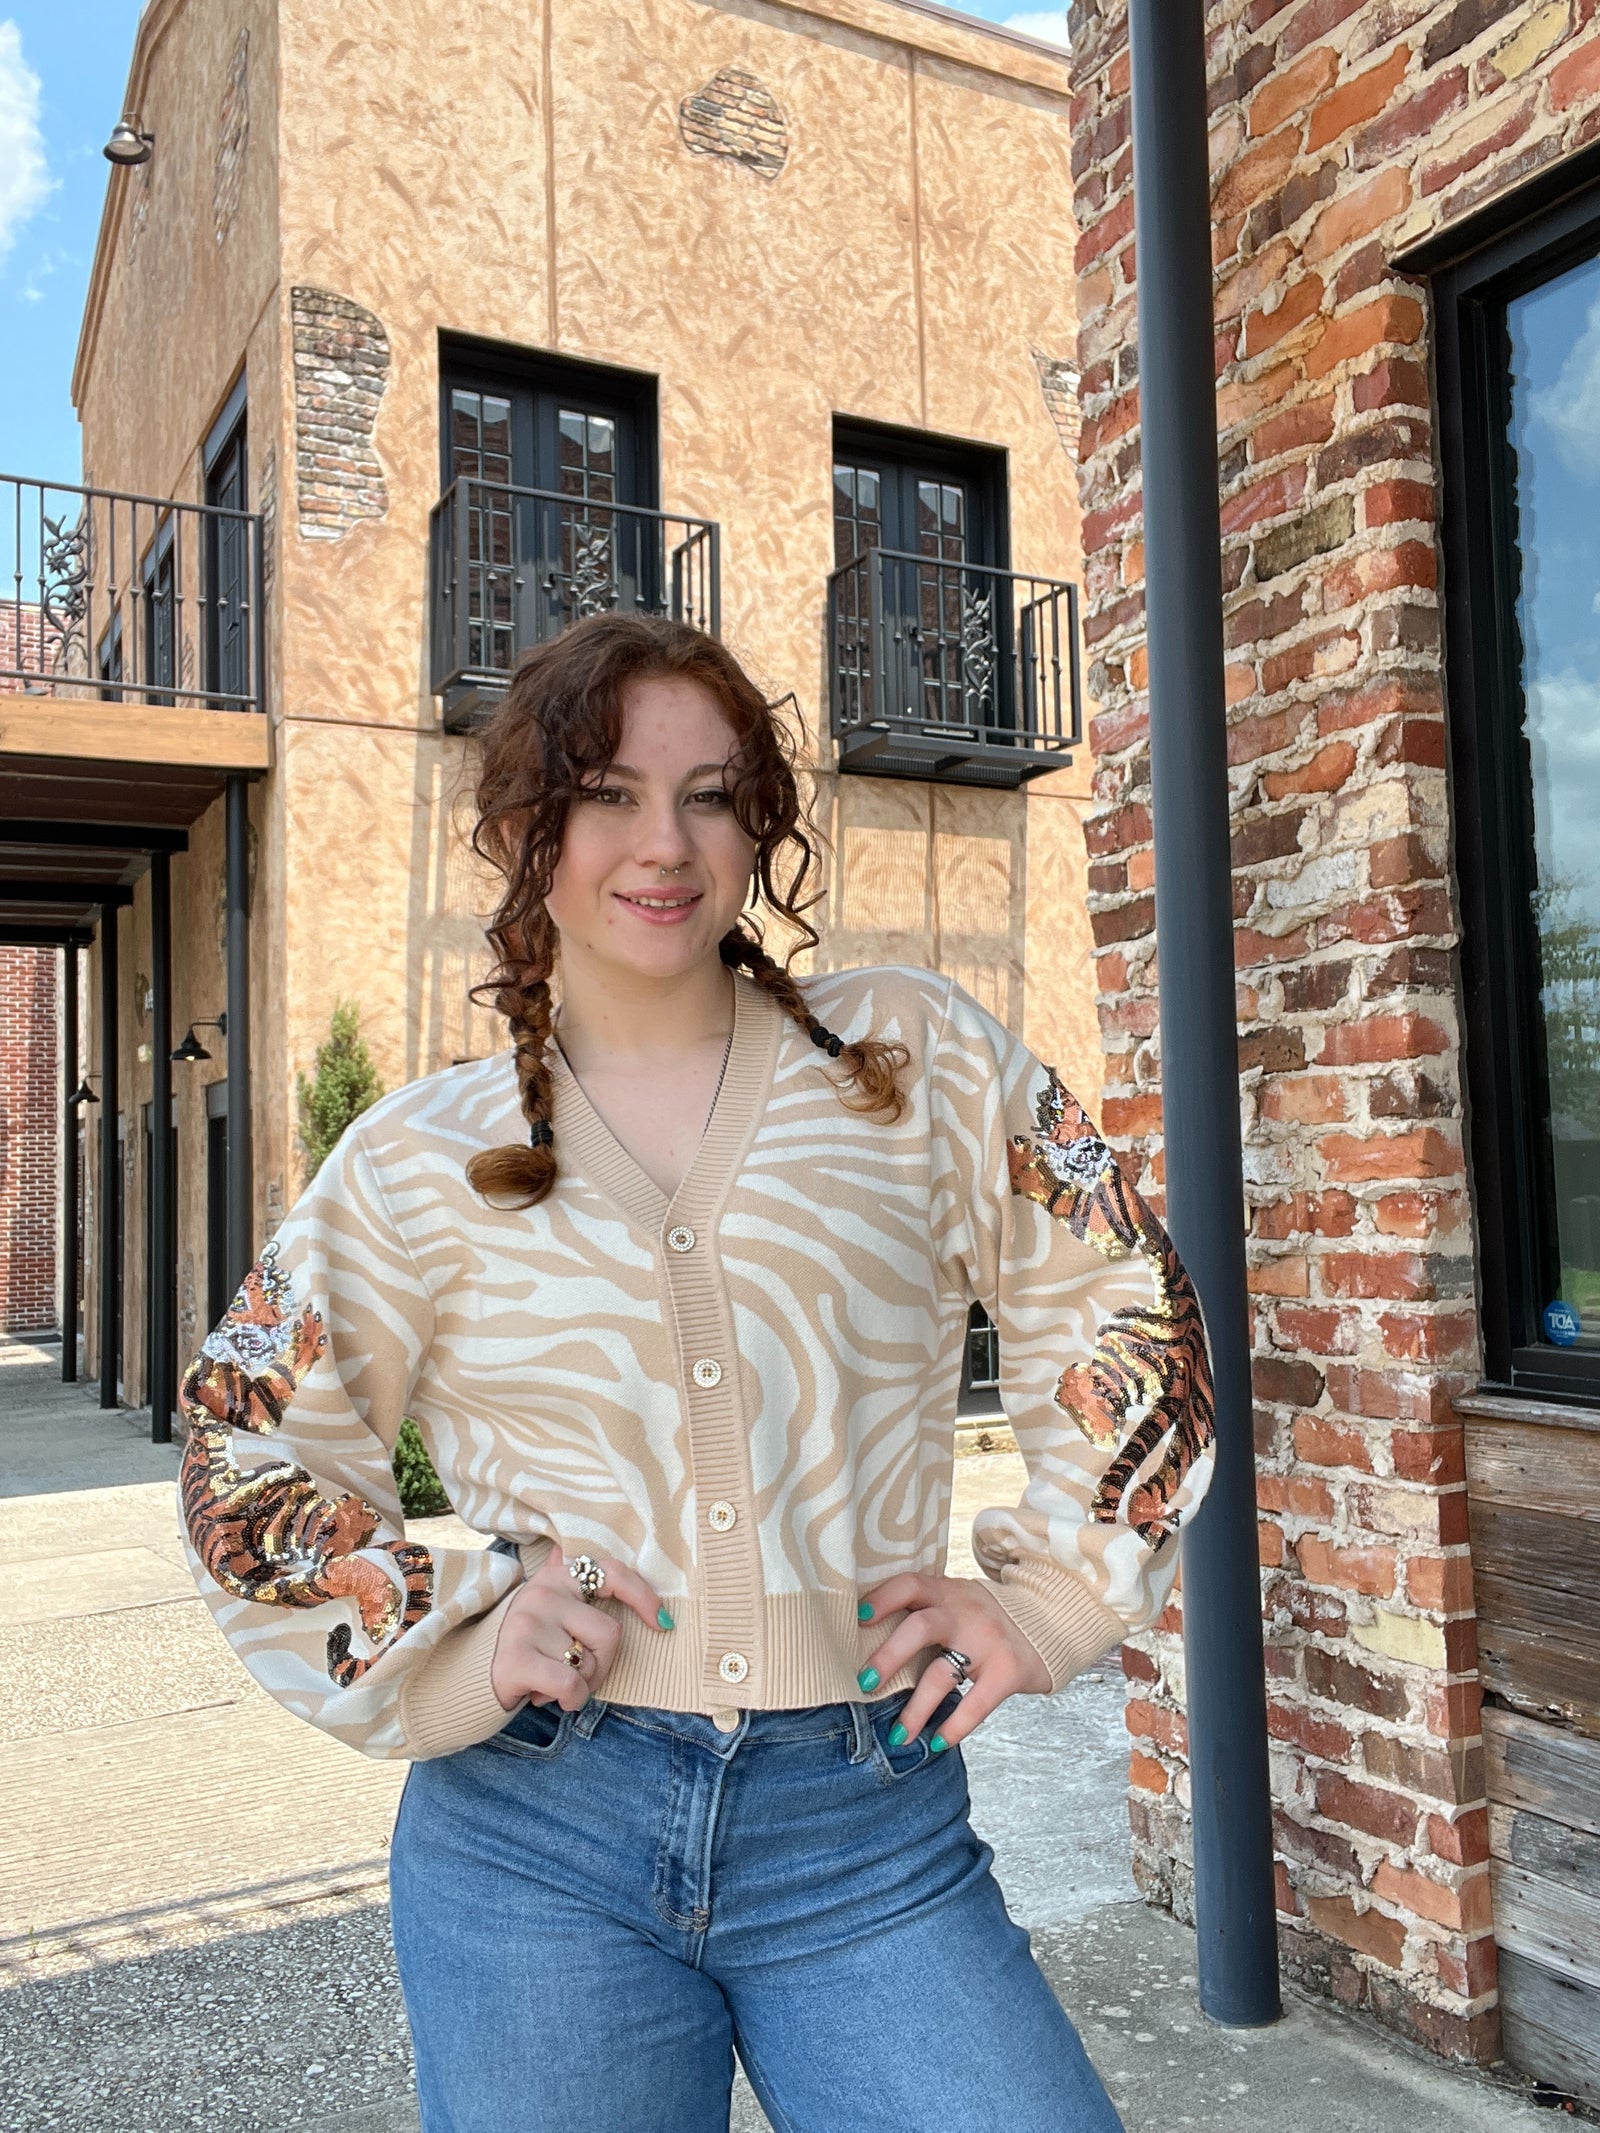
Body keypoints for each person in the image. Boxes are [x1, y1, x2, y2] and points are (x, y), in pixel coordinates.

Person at [177, 613, 1216, 2133]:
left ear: (759, 826)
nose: (664, 841)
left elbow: (1120, 1283)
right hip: (537, 1835)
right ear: (531, 826)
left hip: (863, 1821)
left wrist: (1051, 1599)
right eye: (608, 790)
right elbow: (244, 1441)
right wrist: (451, 1641)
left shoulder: (907, 1057)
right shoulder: (419, 1161)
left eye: (713, 794)